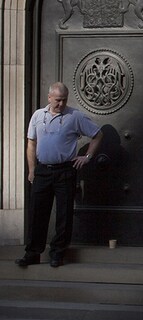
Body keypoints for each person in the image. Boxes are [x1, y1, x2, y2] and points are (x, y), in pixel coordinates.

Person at [17, 82, 103, 268]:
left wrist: (87, 156)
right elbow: (31, 143)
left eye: (64, 100)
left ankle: (57, 253)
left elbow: (97, 134)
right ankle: (32, 253)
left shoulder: (75, 116)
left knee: (64, 214)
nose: (61, 104)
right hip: (42, 170)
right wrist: (32, 169)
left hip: (65, 170)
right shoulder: (38, 116)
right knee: (37, 213)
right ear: (49, 98)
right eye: (57, 100)